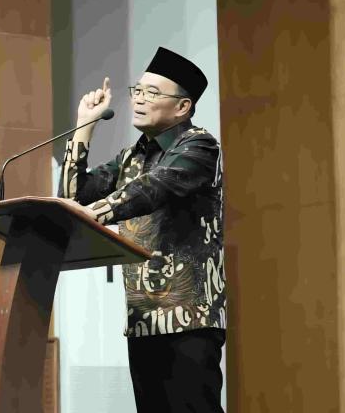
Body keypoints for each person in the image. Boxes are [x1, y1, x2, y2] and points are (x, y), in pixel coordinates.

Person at [59, 47, 226, 412]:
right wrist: (85, 125)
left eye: (152, 93)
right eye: (137, 90)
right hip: (142, 322)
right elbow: (71, 196)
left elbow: (152, 189)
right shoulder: (129, 158)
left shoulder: (199, 146)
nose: (138, 99)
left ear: (182, 107)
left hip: (190, 322)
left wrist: (91, 213)